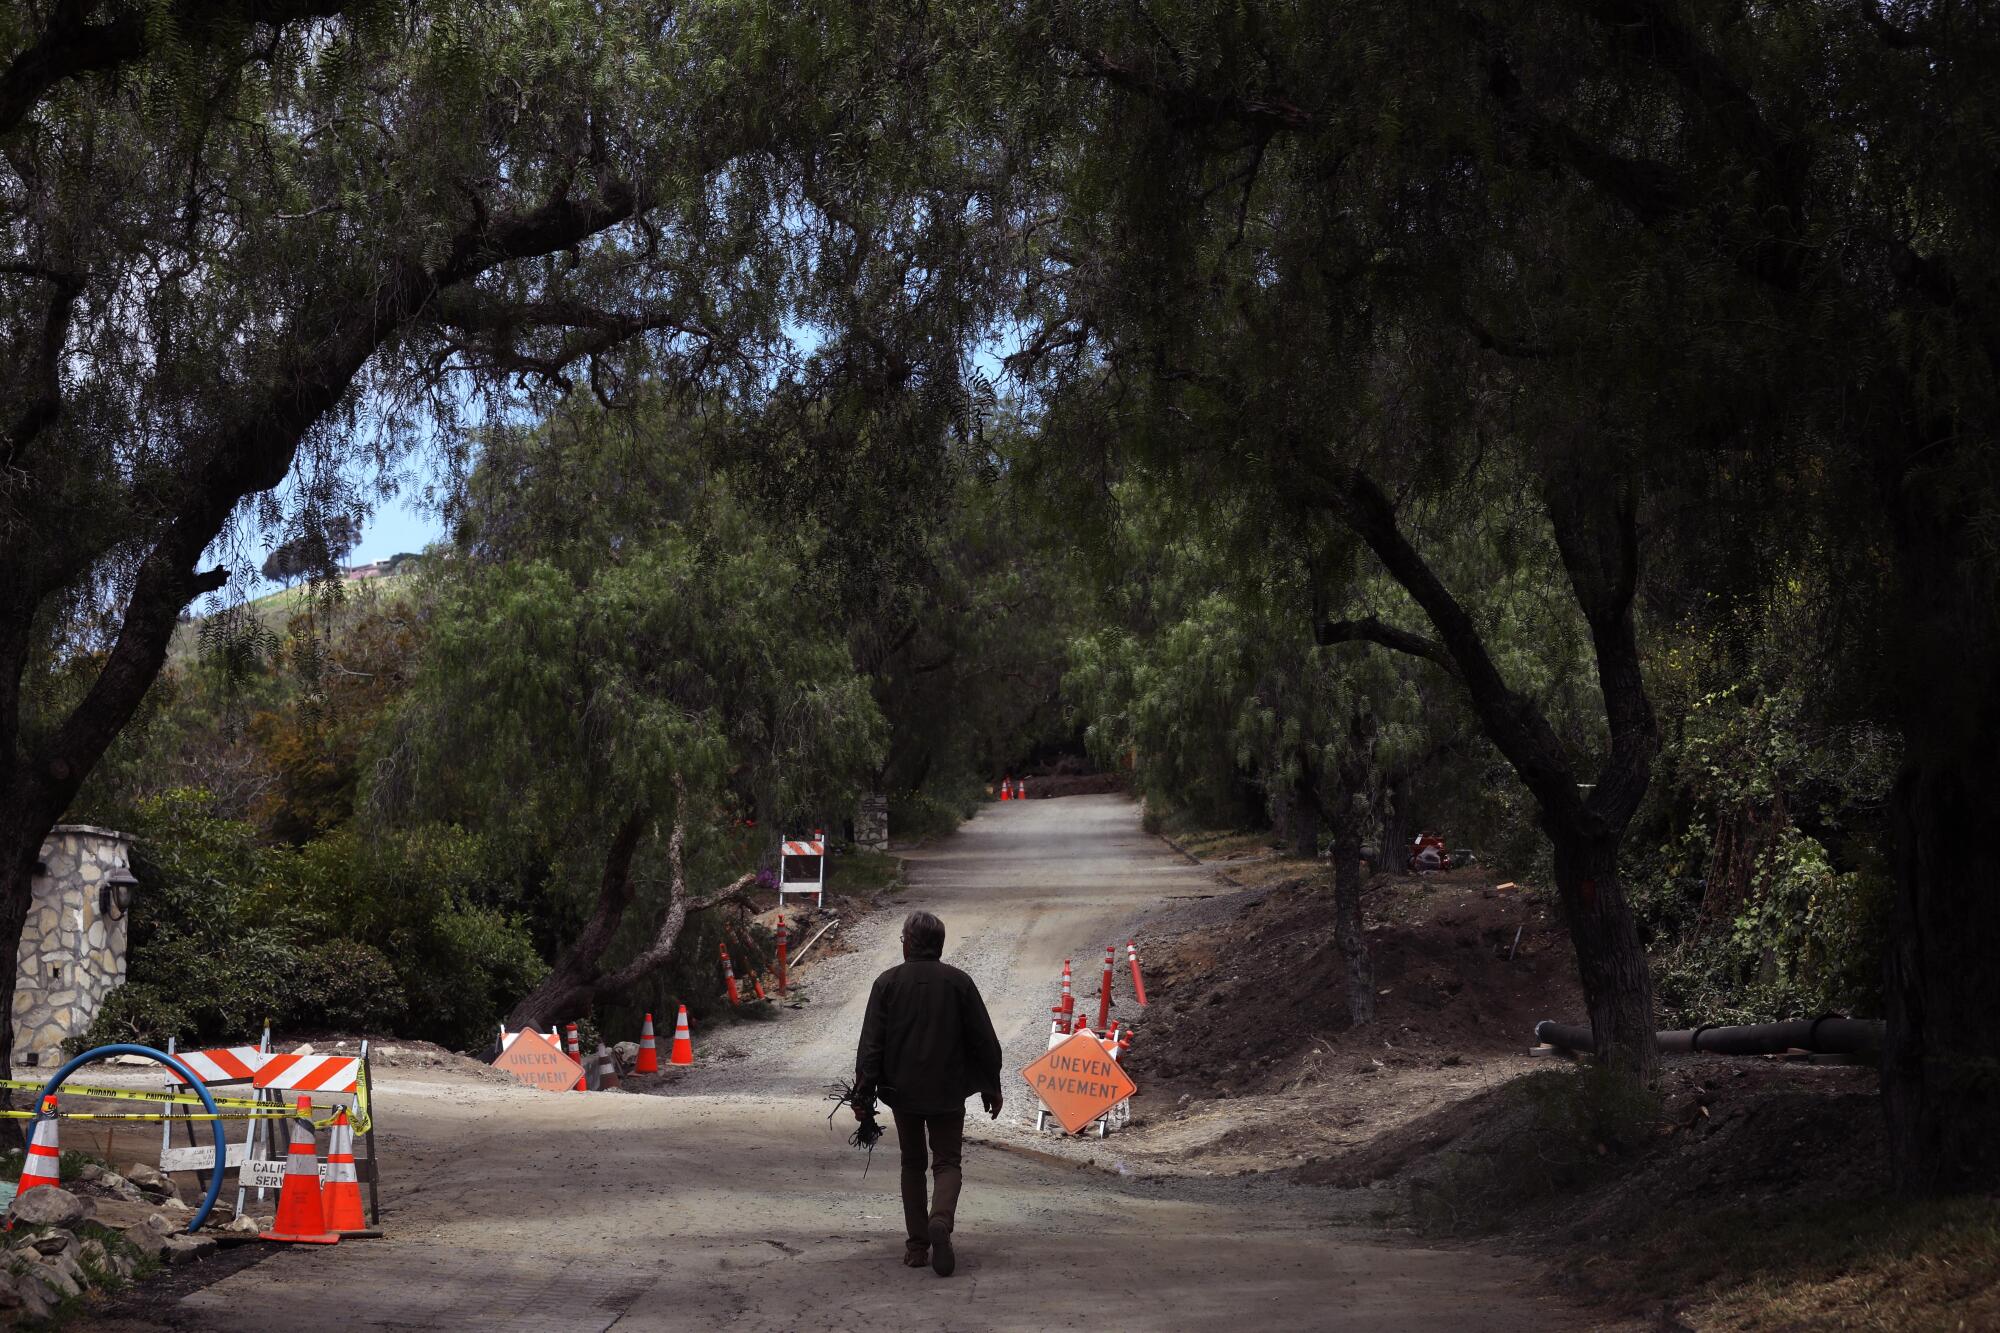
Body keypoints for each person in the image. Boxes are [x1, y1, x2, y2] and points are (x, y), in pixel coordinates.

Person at [853, 910, 1004, 1277]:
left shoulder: (887, 984)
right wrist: (991, 1085)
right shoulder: (959, 983)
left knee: (912, 1163)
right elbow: (985, 1041)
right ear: (939, 944)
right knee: (947, 1162)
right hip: (949, 1091)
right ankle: (941, 1220)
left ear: (908, 943)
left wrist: (862, 1096)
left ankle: (918, 1245)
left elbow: (871, 1046)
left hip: (902, 1092)